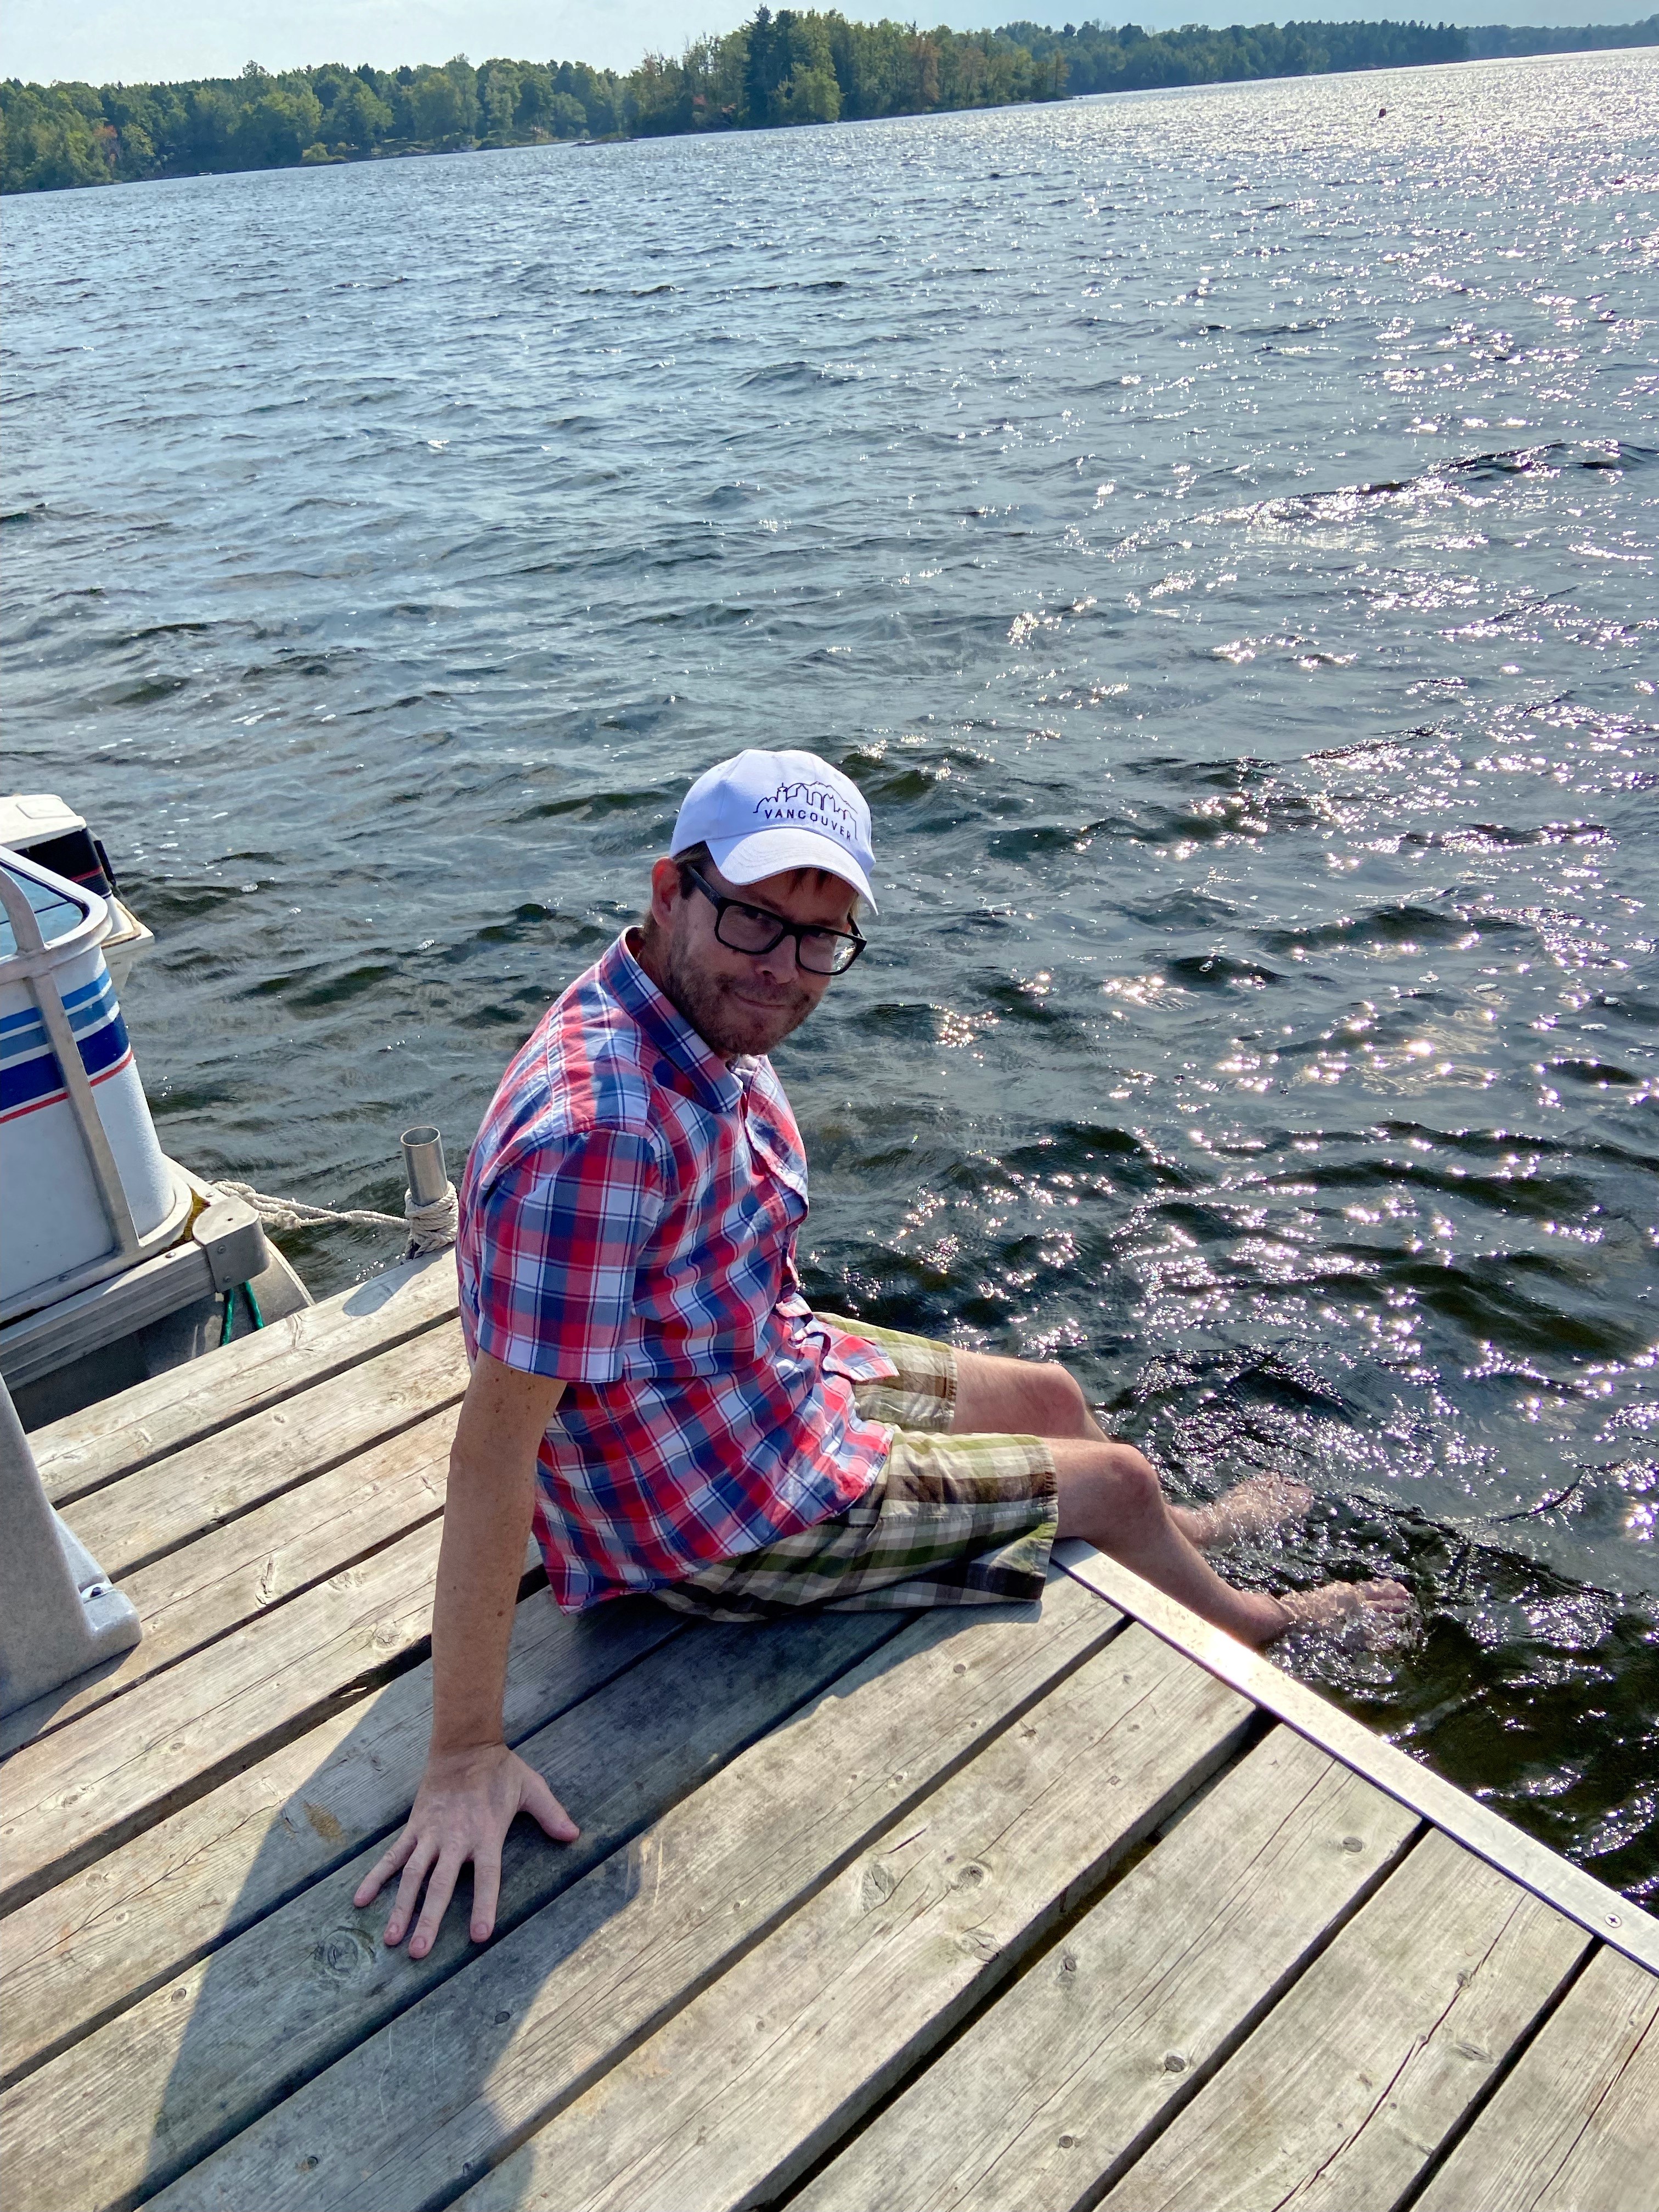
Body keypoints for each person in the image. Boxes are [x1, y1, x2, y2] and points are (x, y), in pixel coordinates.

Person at [356, 747, 1410, 1959]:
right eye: (756, 922)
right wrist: (464, 1752)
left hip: (747, 1373)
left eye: (822, 937)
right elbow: (495, 1452)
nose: (786, 971)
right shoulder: (599, 1135)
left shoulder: (678, 1012)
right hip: (705, 1514)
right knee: (1113, 1485)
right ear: (669, 890)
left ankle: (1188, 1540)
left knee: (1058, 1397)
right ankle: (1263, 1624)